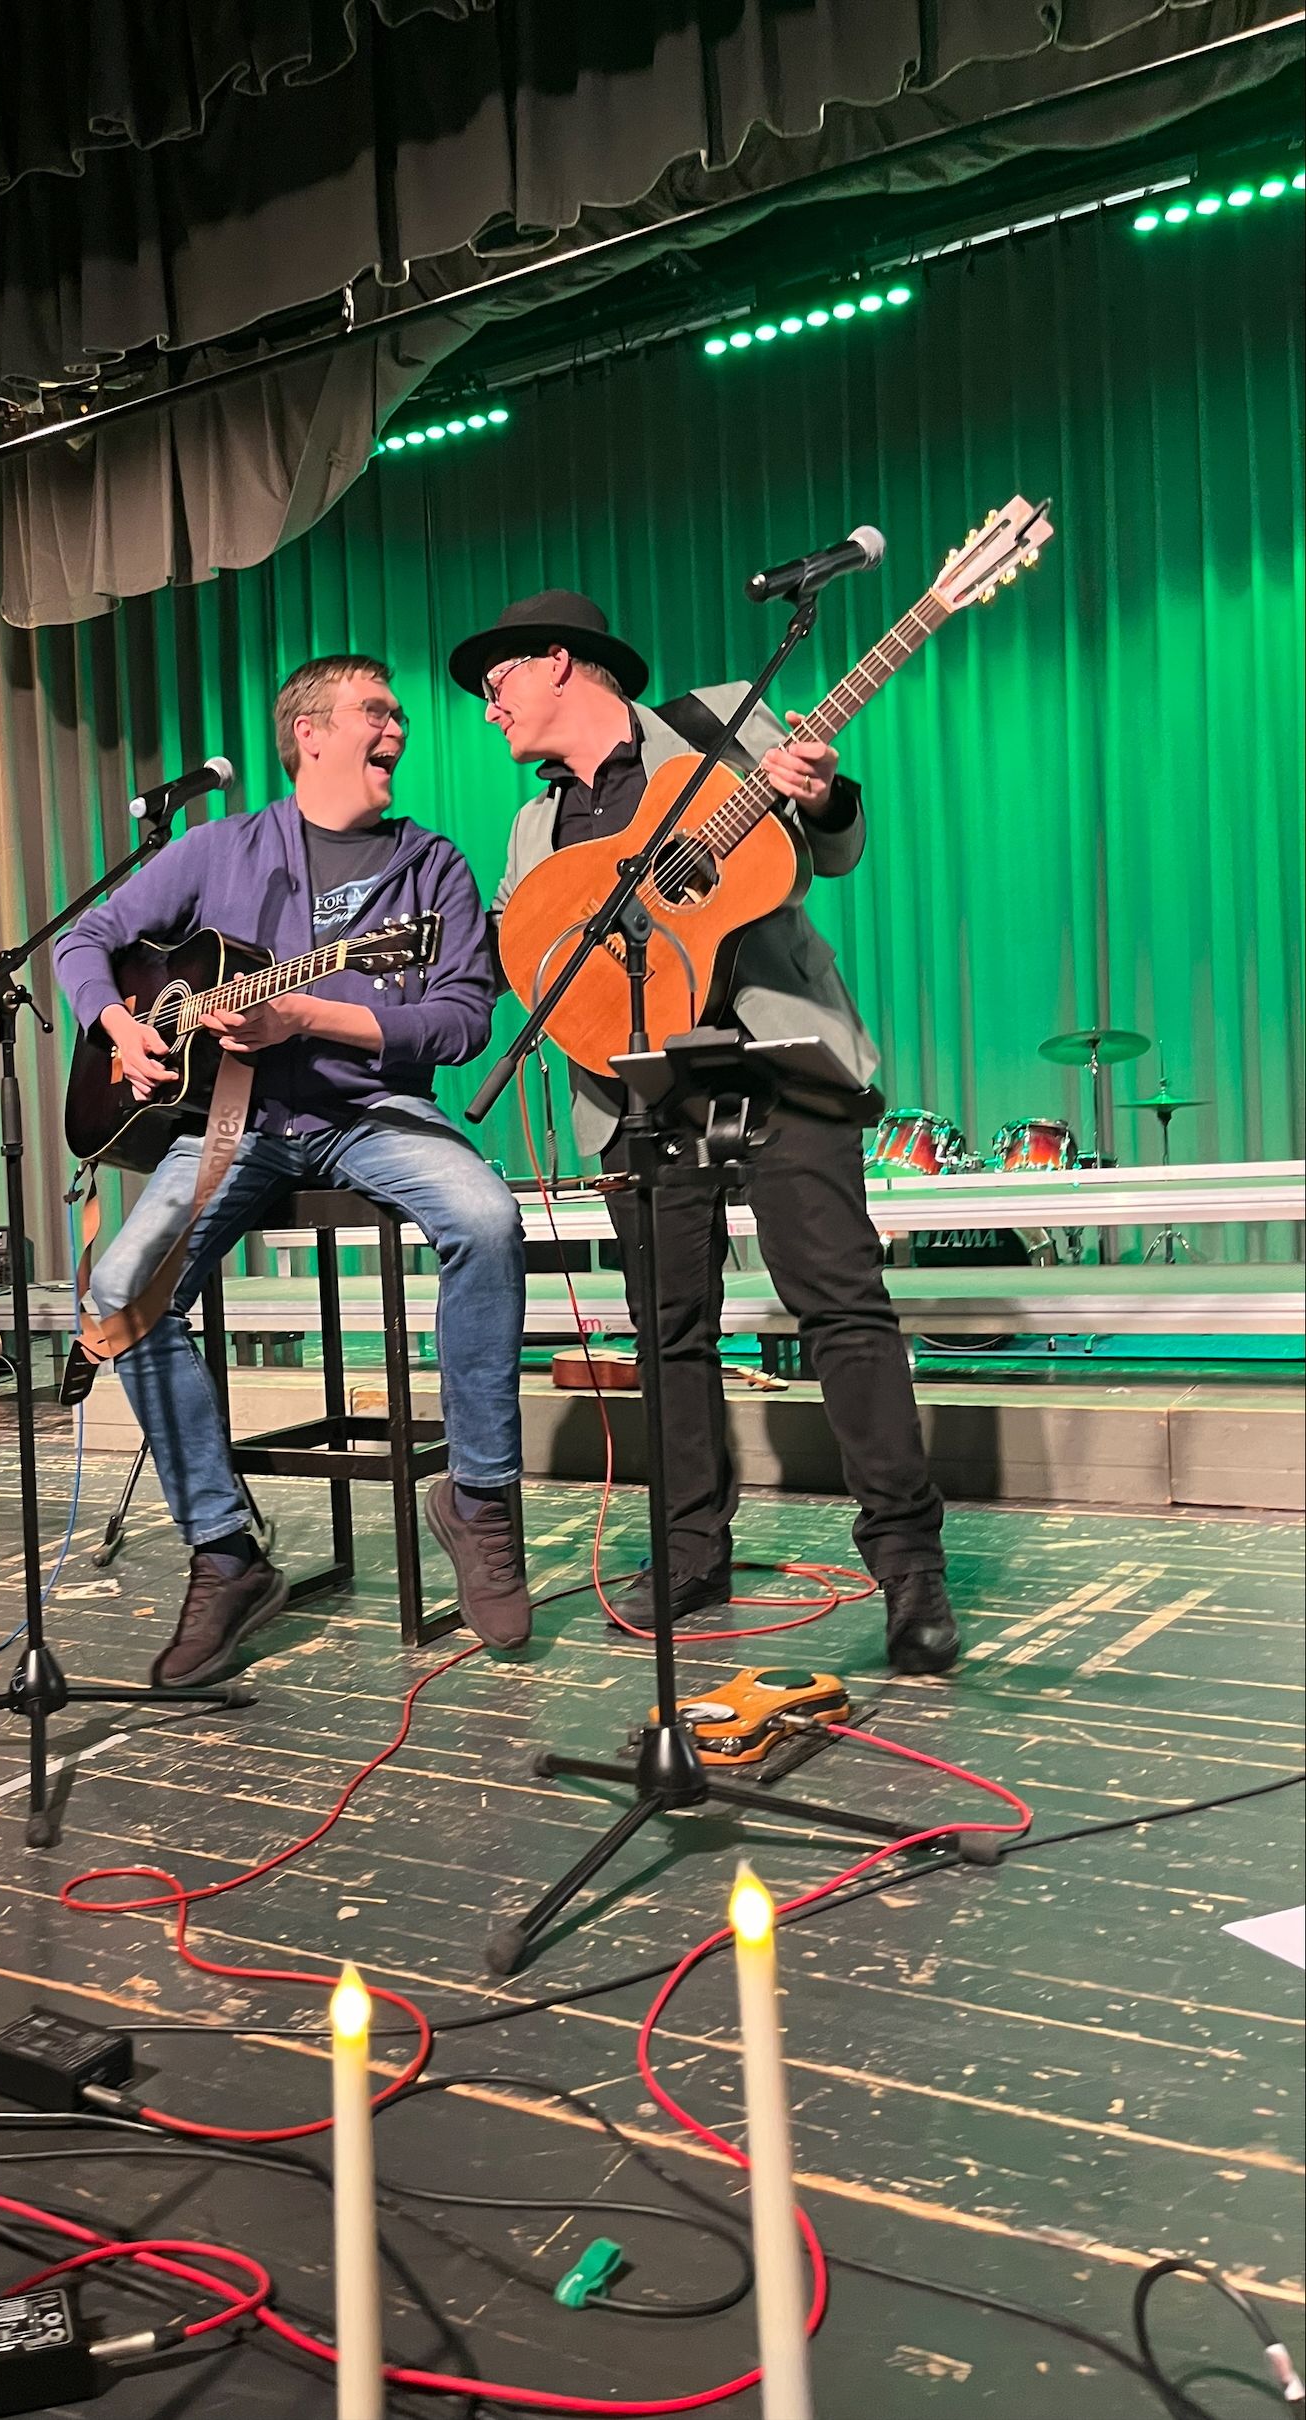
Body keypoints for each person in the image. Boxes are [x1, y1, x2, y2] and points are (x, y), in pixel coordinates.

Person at [450, 589, 957, 1675]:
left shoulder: (720, 720)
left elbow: (826, 848)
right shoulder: (534, 826)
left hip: (778, 1056)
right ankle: (690, 1551)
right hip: (636, 1085)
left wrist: (822, 795)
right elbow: (527, 947)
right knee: (666, 1330)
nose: (489, 708)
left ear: (558, 662)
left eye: (497, 684)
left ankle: (909, 1565)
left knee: (840, 1306)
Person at [53, 654, 531, 1684]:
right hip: (233, 1122)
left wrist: (307, 1013)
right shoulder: (220, 847)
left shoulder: (430, 867)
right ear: (309, 733)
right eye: (376, 711)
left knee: (488, 1222)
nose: (396, 727)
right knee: (119, 1287)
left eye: (397, 715)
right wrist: (120, 1026)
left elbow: (459, 1021)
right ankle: (226, 1553)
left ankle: (480, 1498)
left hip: (372, 1113)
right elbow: (87, 940)